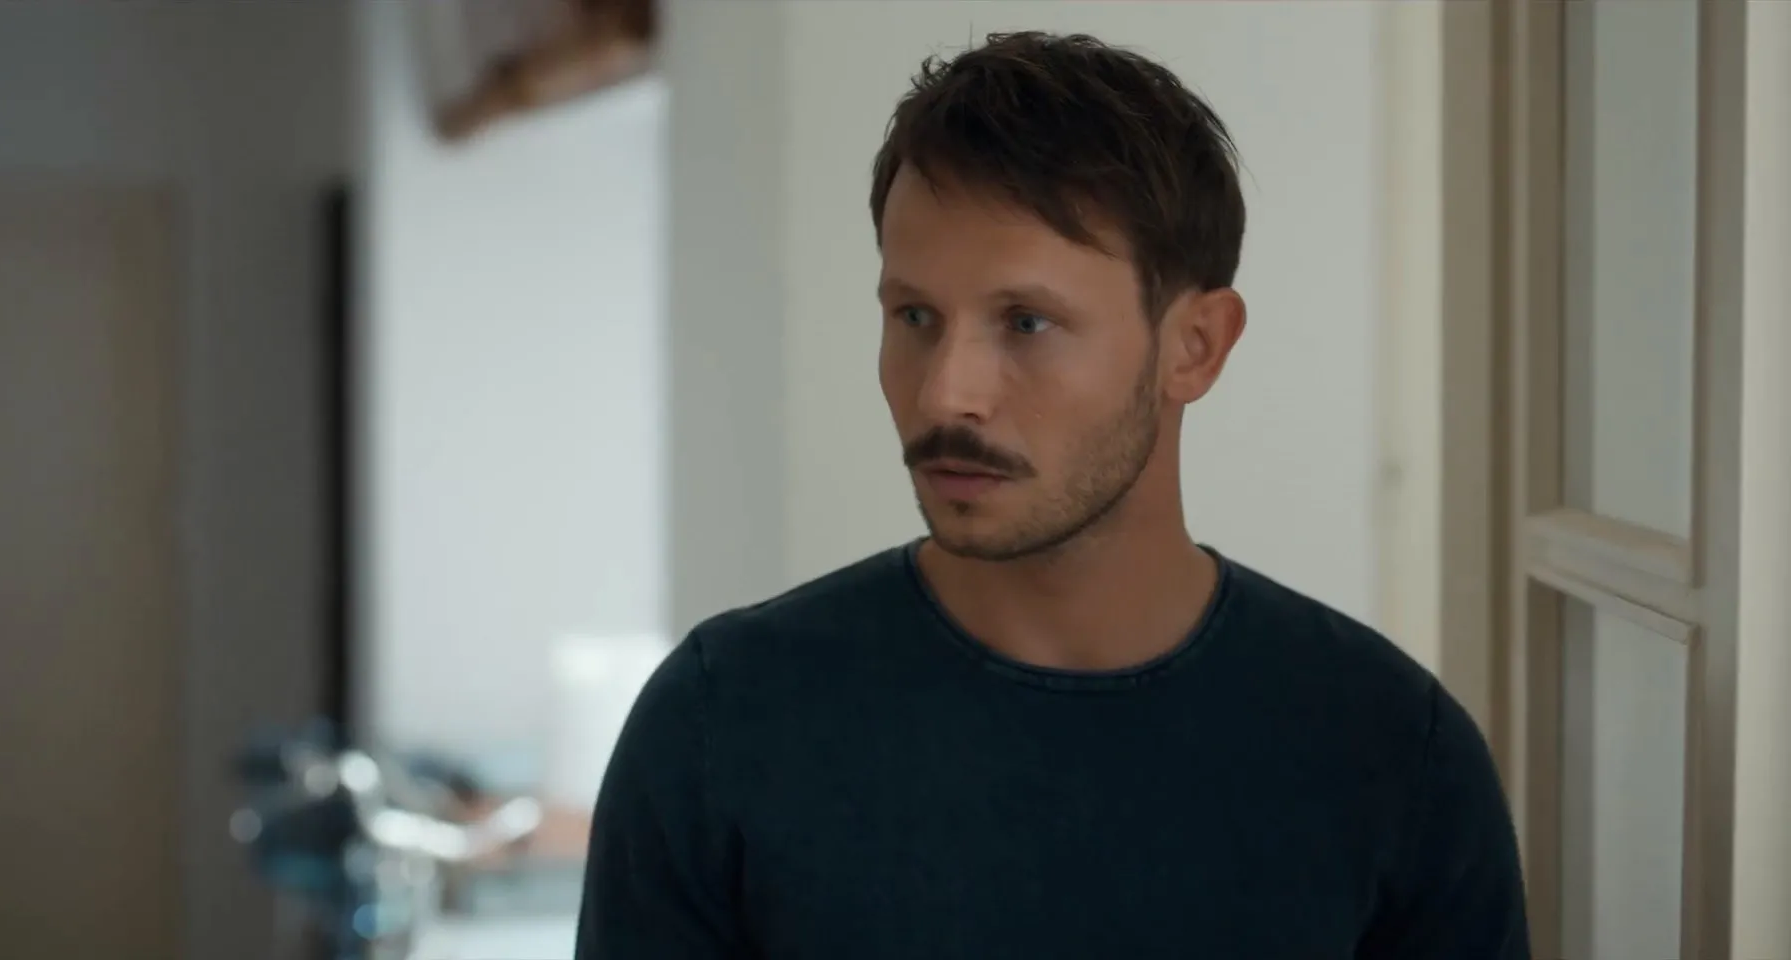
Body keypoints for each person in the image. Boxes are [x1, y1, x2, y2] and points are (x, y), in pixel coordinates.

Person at [577, 31, 1529, 960]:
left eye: (1026, 322)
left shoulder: (1392, 752)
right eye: (915, 315)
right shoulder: (720, 724)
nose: (945, 394)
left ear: (1195, 346)